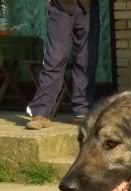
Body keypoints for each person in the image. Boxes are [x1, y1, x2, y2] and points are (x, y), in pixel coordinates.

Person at [25, 0, 100, 130]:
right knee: (55, 58)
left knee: (86, 60)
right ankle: (41, 112)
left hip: (89, 7)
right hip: (60, 7)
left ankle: (82, 110)